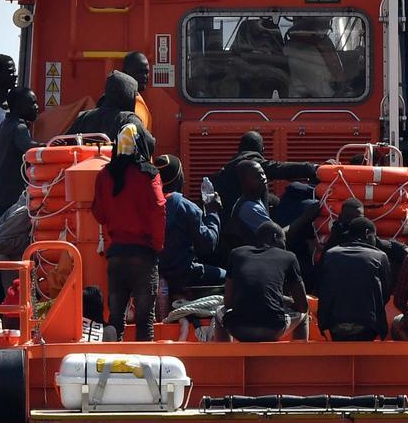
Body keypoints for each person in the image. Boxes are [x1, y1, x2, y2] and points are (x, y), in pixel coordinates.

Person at [91, 124, 166, 341]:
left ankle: (113, 367)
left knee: (115, 318)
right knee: (145, 320)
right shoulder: (150, 174)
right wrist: (158, 245)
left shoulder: (105, 175)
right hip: (144, 256)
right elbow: (158, 209)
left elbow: (99, 214)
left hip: (116, 257)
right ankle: (146, 368)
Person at [216, 222, 309, 342]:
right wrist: (287, 301)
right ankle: (298, 359)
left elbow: (228, 303)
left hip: (238, 328)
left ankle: (226, 357)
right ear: (275, 237)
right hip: (273, 328)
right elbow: (303, 306)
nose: (285, 245)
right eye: (284, 241)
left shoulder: (236, 254)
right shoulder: (289, 257)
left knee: (219, 313)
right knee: (304, 316)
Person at [154, 154, 226, 290]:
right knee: (228, 277)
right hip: (184, 273)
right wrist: (212, 212)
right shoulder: (185, 206)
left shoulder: (146, 204)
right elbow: (208, 244)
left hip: (155, 273)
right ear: (179, 178)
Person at [211, 130, 318, 222]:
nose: (263, 178)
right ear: (262, 150)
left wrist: (275, 201)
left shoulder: (226, 171)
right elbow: (279, 168)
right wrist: (312, 168)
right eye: (260, 175)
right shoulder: (251, 165)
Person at [317, 217, 390, 341]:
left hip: (335, 324)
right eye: (374, 236)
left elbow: (321, 288)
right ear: (367, 233)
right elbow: (386, 293)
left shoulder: (330, 254)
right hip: (368, 325)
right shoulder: (380, 256)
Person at [0, 87, 40, 222]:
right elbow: (30, 149)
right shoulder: (19, 127)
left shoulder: (3, 126)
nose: (36, 107)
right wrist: (50, 146)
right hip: (9, 199)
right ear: (18, 106)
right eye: (32, 103)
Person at [70, 71, 154, 153]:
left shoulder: (83, 117)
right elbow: (149, 144)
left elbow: (65, 141)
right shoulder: (129, 119)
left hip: (84, 165)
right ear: (128, 94)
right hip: (117, 166)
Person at [284, 17, 343, 98]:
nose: (324, 33)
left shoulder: (321, 42)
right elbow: (323, 92)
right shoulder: (303, 53)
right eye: (323, 26)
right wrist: (343, 94)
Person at [223, 160, 273, 251]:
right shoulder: (250, 207)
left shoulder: (253, 198)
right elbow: (276, 237)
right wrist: (303, 217)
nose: (263, 178)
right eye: (257, 176)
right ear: (243, 182)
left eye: (263, 173)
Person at [121, 51, 154, 130]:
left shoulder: (137, 98)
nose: (144, 76)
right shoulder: (118, 101)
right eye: (139, 72)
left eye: (146, 72)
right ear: (125, 73)